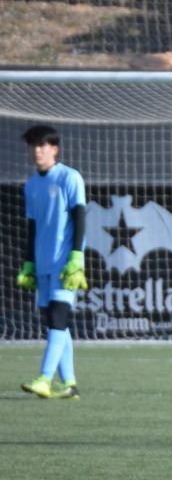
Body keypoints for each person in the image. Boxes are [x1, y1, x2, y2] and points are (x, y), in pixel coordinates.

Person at [17, 125, 87, 399]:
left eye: (42, 145)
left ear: (54, 149)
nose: (37, 150)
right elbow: (32, 228)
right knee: (54, 322)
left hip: (64, 262)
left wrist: (76, 257)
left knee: (58, 318)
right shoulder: (32, 185)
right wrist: (28, 264)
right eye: (33, 145)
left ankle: (45, 378)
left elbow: (80, 217)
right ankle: (69, 383)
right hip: (43, 263)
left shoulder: (70, 177)